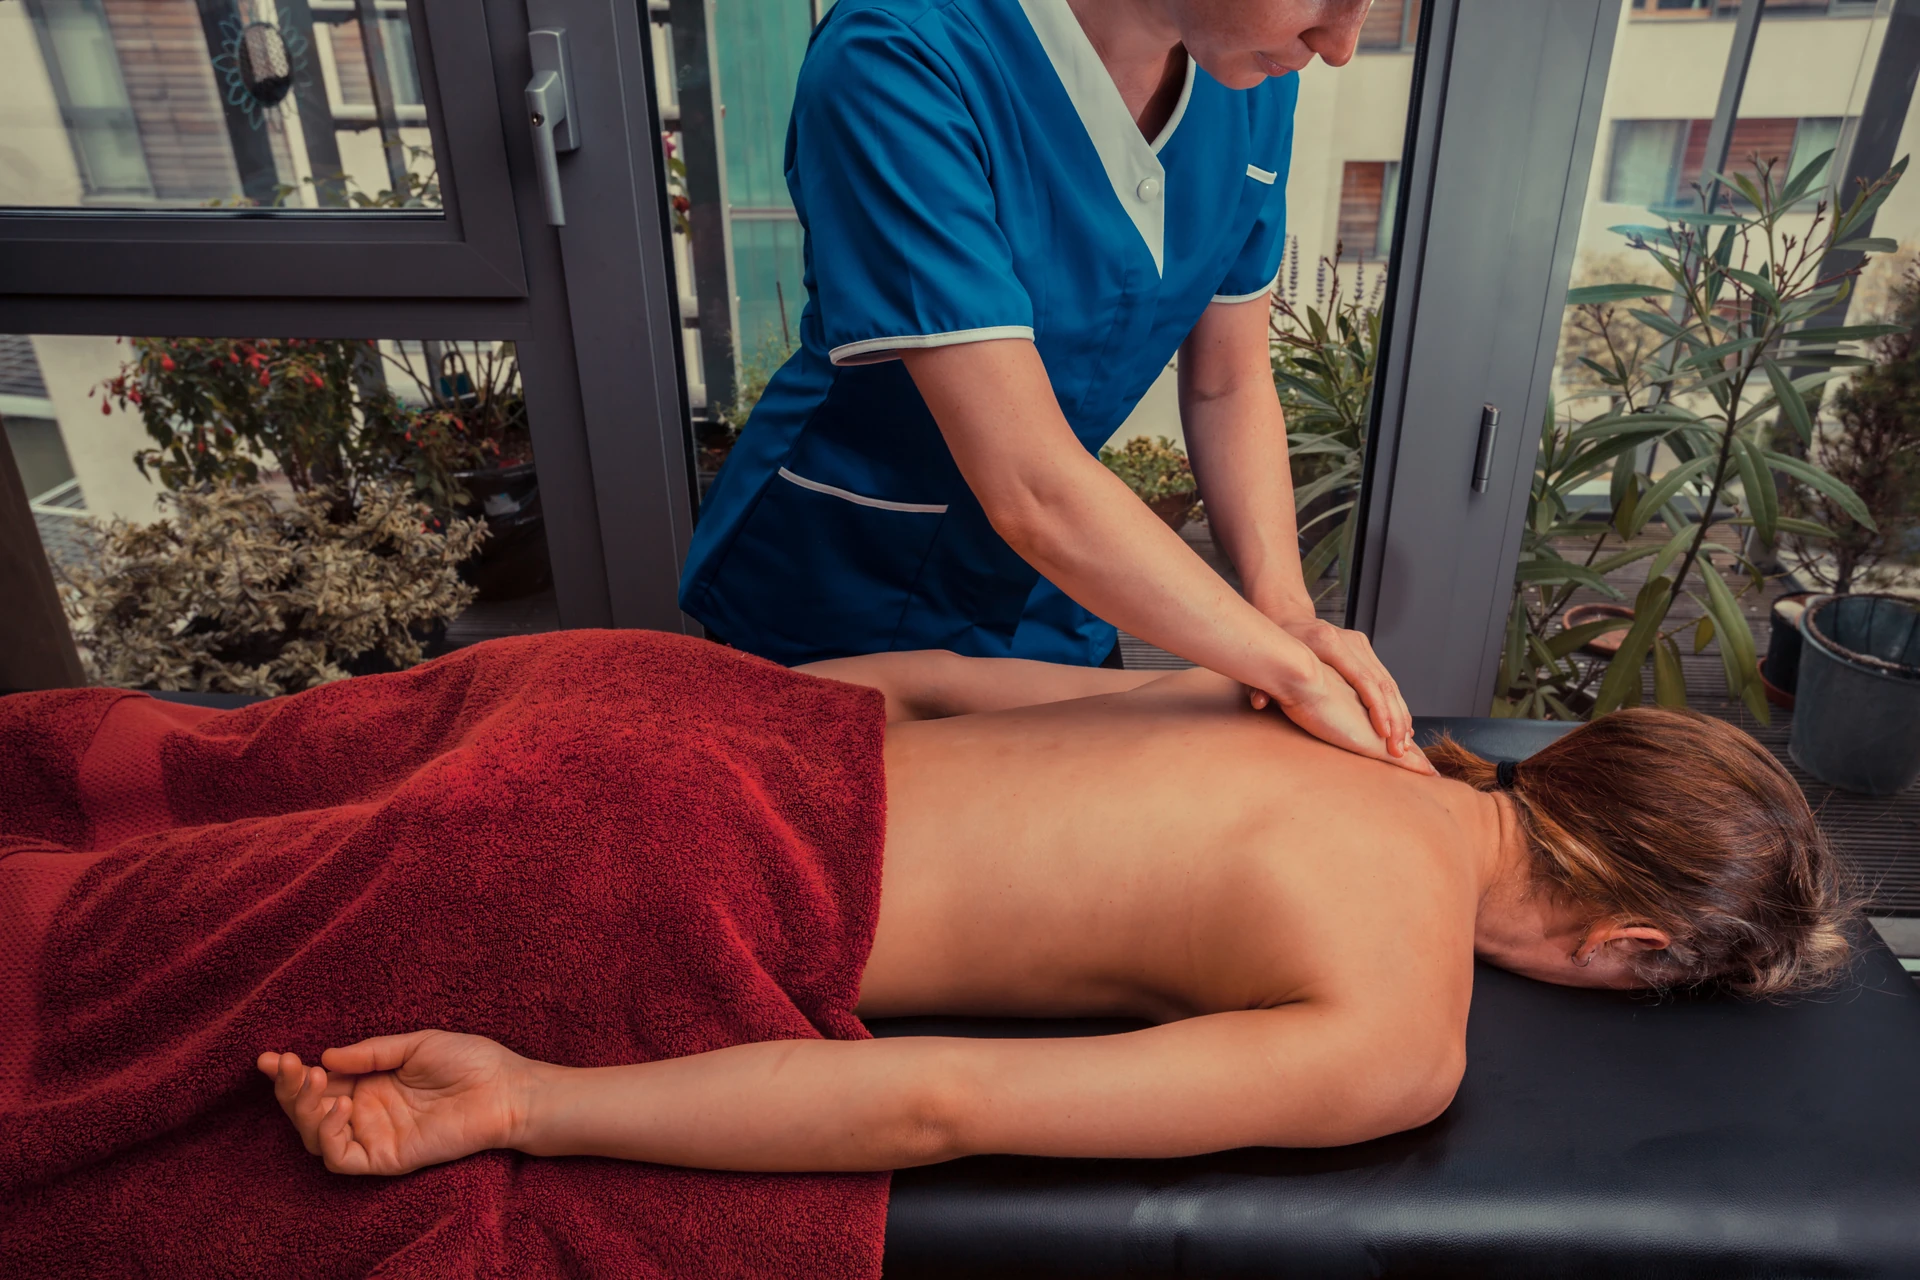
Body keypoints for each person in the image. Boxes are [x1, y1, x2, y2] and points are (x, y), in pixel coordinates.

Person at [259, 647, 1849, 1178]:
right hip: (650, 869)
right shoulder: (1399, 1036)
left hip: (645, 698)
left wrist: (664, 725)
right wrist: (529, 1103)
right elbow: (943, 1103)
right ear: (1631, 950)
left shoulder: (1312, 700)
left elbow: (931, 680)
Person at [676, 0, 1427, 773]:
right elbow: (1029, 486)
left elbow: (1227, 384)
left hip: (1063, 588)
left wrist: (1289, 617)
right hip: (841, 583)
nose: (1340, 46)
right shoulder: (899, 54)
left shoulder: (1252, 81)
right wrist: (1295, 672)